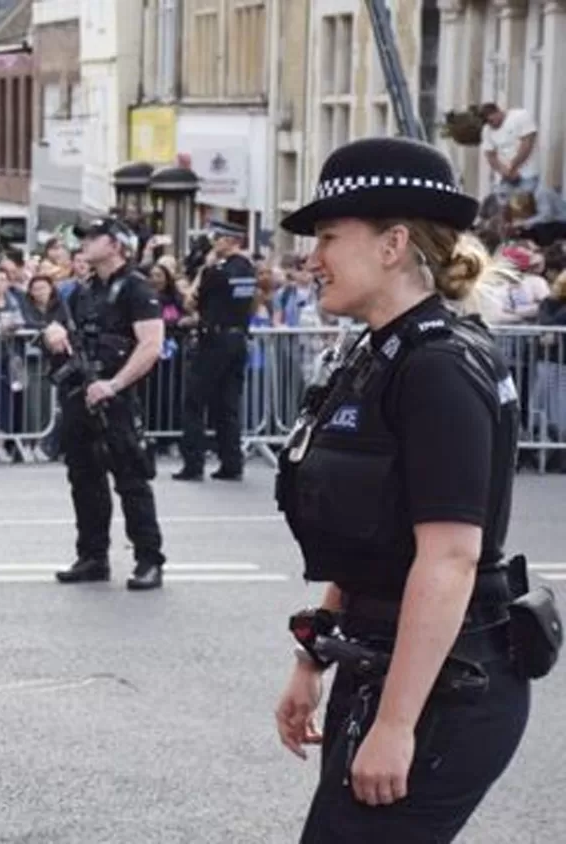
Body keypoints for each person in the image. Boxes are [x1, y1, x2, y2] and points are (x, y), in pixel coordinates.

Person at [273, 137, 533, 842]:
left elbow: (449, 558)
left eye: (328, 236)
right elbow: (367, 540)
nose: (312, 255)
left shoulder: (438, 366)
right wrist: (313, 653)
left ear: (392, 245)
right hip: (385, 661)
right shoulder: (375, 352)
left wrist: (396, 723)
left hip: (447, 685)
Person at [49, 217, 167, 591]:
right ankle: (93, 555)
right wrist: (53, 334)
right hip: (81, 393)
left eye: (93, 238)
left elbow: (151, 345)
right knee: (83, 477)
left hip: (116, 396)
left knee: (131, 477)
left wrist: (114, 384)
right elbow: (66, 330)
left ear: (115, 244)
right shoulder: (83, 290)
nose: (84, 244)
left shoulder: (136, 287)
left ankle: (149, 559)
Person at [174, 219, 256, 481]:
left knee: (194, 402)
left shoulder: (216, 271)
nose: (214, 242)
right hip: (237, 338)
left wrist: (202, 271)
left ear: (232, 241)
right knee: (228, 404)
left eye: (219, 237)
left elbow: (190, 302)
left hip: (214, 341)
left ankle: (193, 463)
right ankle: (232, 463)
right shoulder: (247, 268)